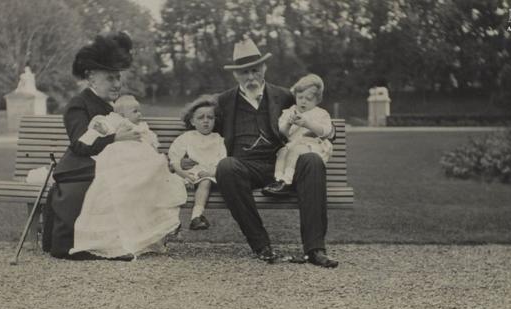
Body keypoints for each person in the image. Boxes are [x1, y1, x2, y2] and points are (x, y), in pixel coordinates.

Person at [182, 38, 338, 268]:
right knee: (226, 166)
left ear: (264, 68)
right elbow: (196, 124)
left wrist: (321, 131)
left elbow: (325, 127)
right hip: (245, 168)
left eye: (255, 70)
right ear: (236, 75)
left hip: (283, 165)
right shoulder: (224, 101)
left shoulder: (285, 96)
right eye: (244, 72)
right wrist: (188, 156)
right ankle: (261, 245)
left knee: (312, 161)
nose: (251, 77)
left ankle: (315, 249)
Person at [43, 32, 146, 260]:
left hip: (109, 165)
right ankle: (100, 246)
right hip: (79, 168)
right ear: (91, 78)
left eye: (118, 78)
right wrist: (116, 139)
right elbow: (80, 144)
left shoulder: (114, 106)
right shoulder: (78, 104)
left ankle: (124, 240)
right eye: (111, 78)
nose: (117, 84)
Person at [70, 96, 186, 259]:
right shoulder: (116, 122)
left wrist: (149, 143)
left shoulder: (142, 127)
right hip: (120, 161)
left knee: (154, 167)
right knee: (122, 186)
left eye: (140, 110)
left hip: (140, 160)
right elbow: (101, 130)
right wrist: (100, 127)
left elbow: (151, 142)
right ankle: (115, 243)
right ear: (121, 114)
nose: (140, 114)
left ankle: (147, 238)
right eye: (135, 111)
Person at [262, 74, 333, 196]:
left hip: (313, 146)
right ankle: (278, 180)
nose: (303, 101)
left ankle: (287, 181)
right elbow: (282, 133)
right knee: (282, 151)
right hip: (293, 145)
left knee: (295, 150)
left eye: (309, 98)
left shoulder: (320, 113)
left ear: (317, 100)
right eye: (300, 97)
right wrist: (289, 124)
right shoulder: (290, 112)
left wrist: (307, 123)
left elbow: (325, 131)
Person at [168, 95, 226, 230]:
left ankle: (196, 216)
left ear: (215, 120)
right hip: (188, 172)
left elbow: (222, 160)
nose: (206, 121)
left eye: (210, 118)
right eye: (201, 118)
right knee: (171, 183)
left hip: (209, 173)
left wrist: (210, 172)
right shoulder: (187, 137)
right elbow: (175, 159)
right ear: (192, 121)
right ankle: (172, 222)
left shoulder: (218, 139)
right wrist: (182, 173)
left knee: (205, 182)